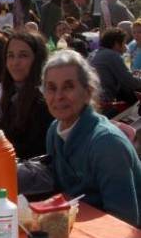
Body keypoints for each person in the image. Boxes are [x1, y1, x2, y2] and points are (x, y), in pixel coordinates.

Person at [43, 50, 141, 227]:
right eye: (51, 88)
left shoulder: (107, 144)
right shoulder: (53, 131)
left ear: (88, 92)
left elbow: (123, 223)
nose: (58, 96)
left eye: (68, 86)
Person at [0, 32, 54, 159]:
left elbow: (33, 150)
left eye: (23, 56)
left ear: (37, 59)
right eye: (10, 56)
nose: (15, 62)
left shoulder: (44, 97)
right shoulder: (14, 91)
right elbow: (11, 133)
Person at [89, 27, 141, 110]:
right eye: (124, 43)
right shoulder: (112, 55)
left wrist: (132, 75)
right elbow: (130, 82)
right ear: (117, 44)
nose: (126, 46)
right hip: (104, 103)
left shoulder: (96, 53)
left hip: (93, 100)